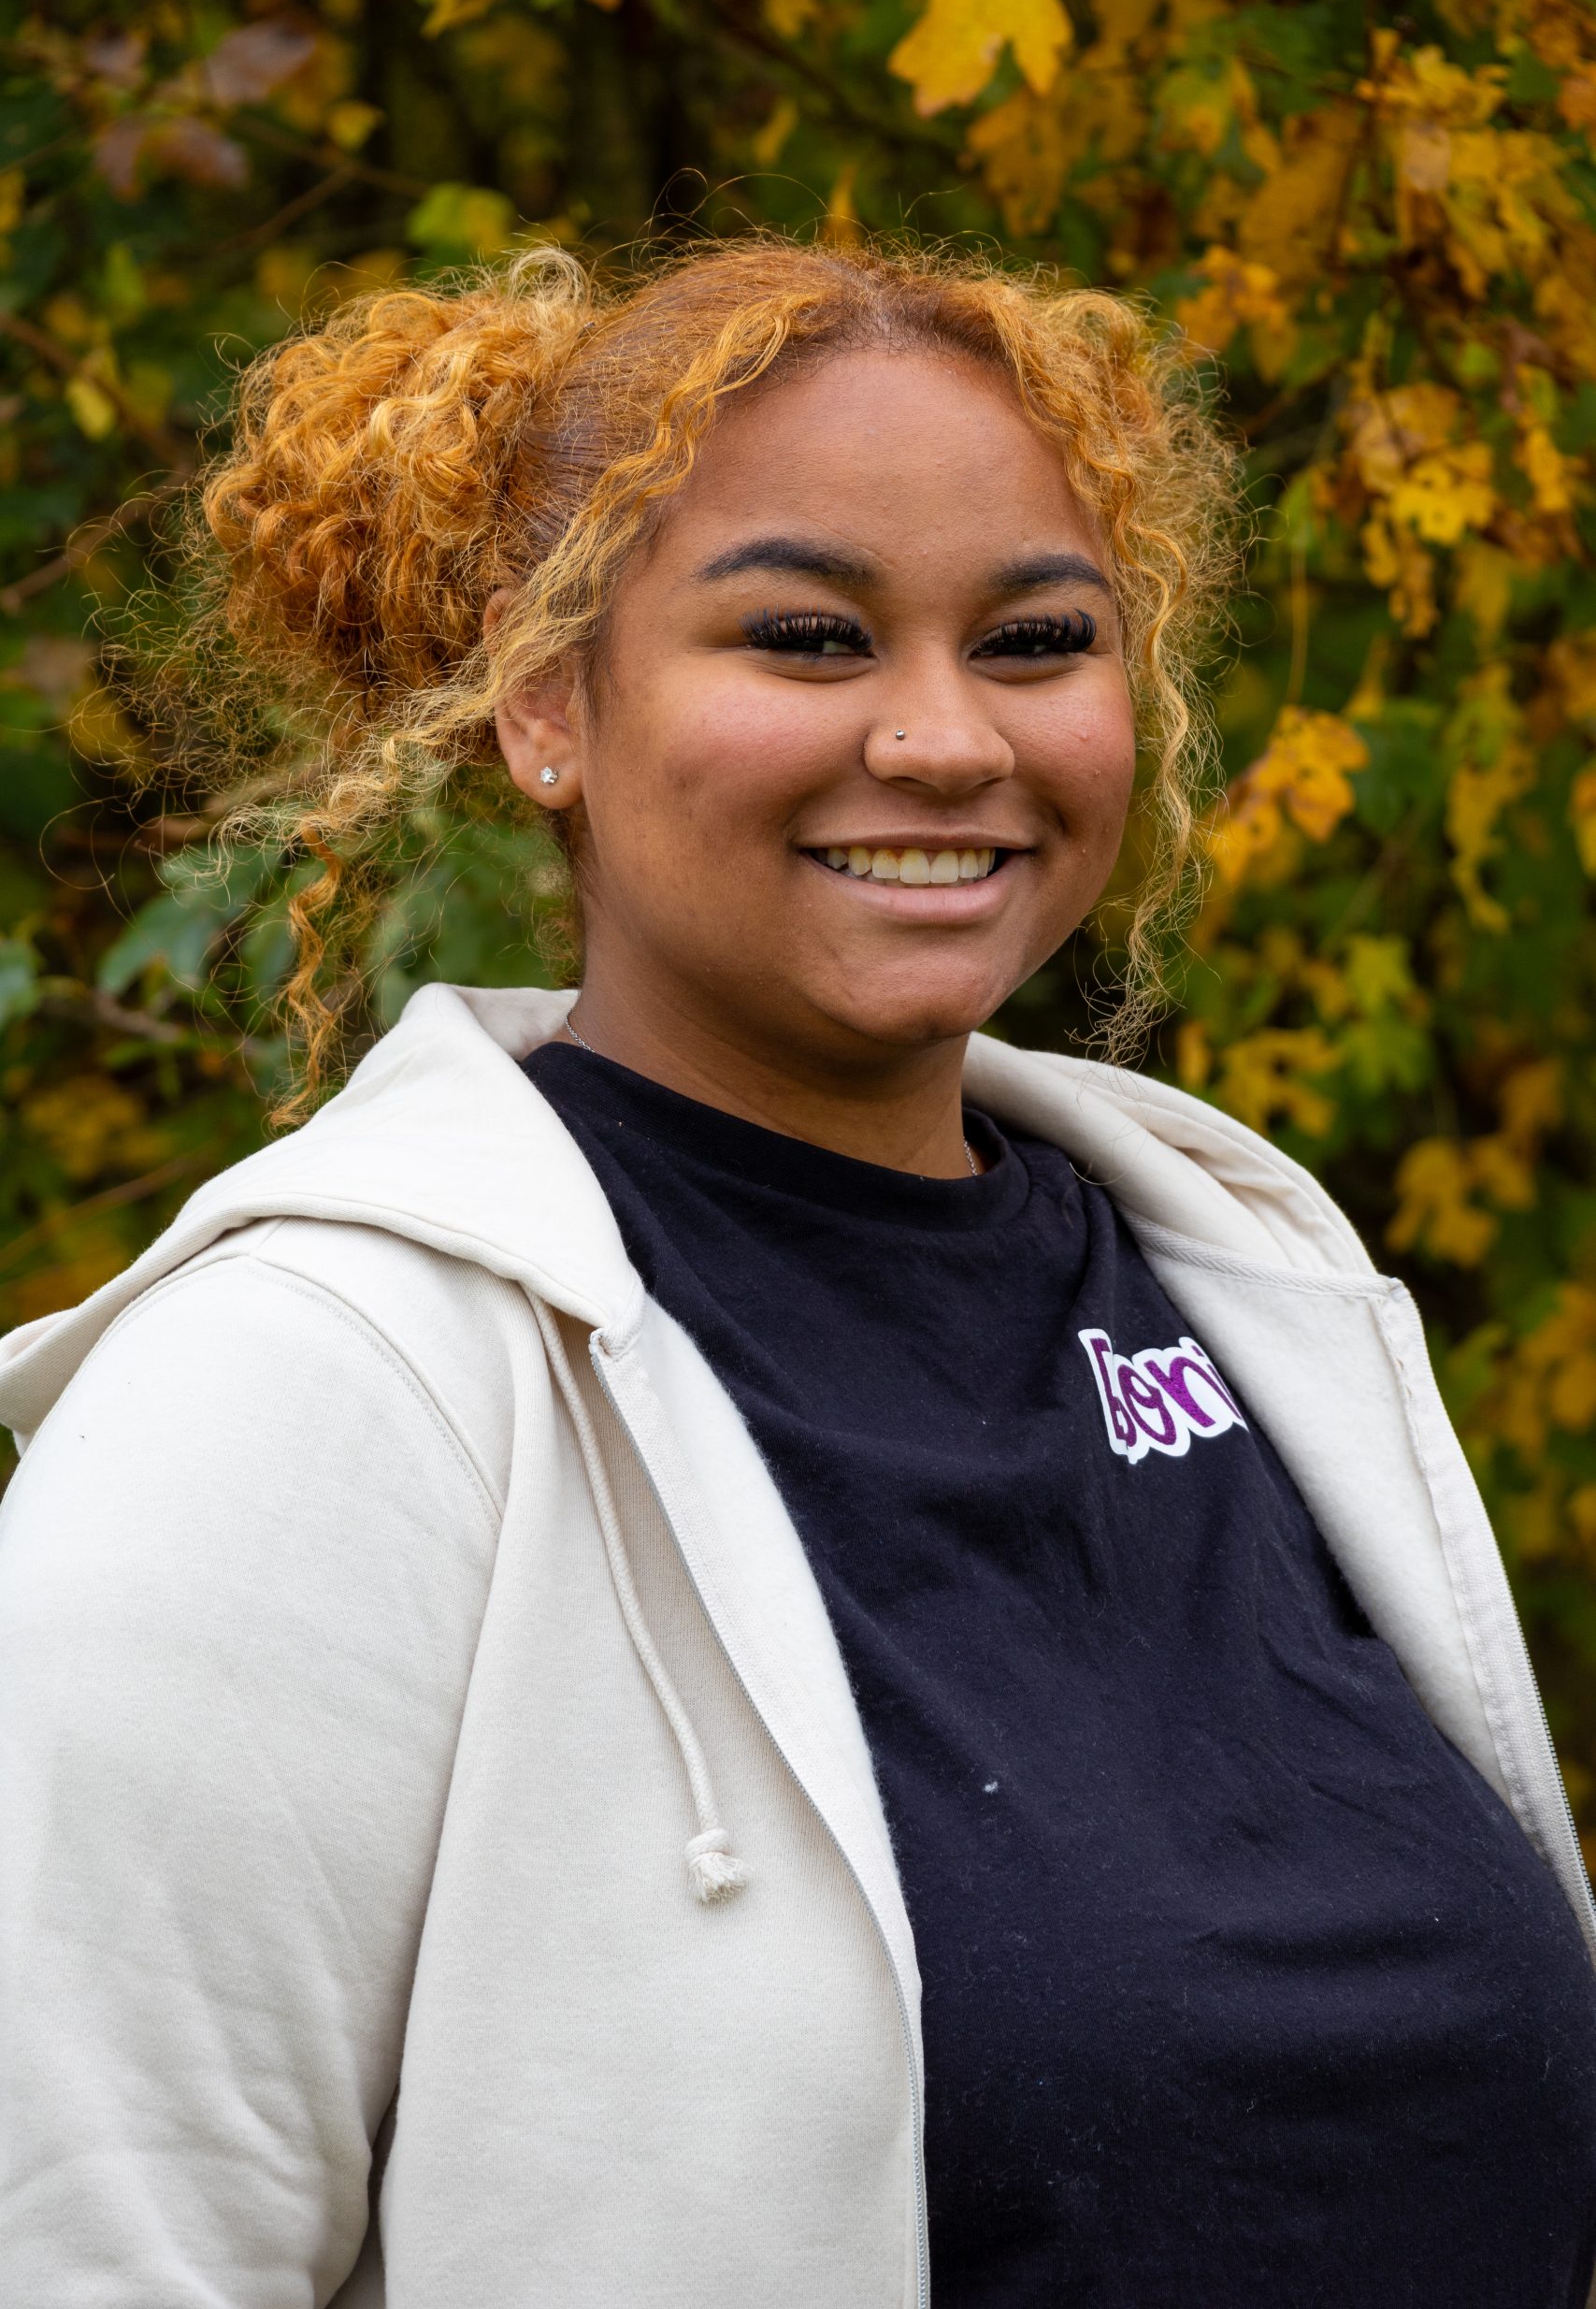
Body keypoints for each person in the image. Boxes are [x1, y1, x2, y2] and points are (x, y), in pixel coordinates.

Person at [1, 237, 1593, 2309]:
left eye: (1031, 637)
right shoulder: (314, 1388)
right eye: (806, 637)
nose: (940, 740)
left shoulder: (1248, 1290)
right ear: (546, 704)